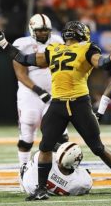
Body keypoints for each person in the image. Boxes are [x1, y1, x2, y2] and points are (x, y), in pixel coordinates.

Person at [0, 20, 111, 200]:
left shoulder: (62, 49)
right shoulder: (61, 49)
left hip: (78, 103)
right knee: (46, 146)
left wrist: (4, 44)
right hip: (59, 104)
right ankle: (41, 189)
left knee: (96, 147)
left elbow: (23, 59)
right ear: (80, 34)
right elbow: (105, 63)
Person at [13, 14, 69, 168]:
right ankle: (23, 169)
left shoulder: (58, 41)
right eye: (40, 30)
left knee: (60, 133)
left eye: (46, 30)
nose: (44, 33)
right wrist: (38, 90)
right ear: (32, 29)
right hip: (29, 94)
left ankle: (62, 169)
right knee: (28, 129)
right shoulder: (22, 44)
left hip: (54, 93)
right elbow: (20, 74)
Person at [21, 142, 92, 196]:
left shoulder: (41, 159)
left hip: (29, 184)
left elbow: (41, 151)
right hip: (59, 189)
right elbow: (86, 188)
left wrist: (59, 147)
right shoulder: (81, 182)